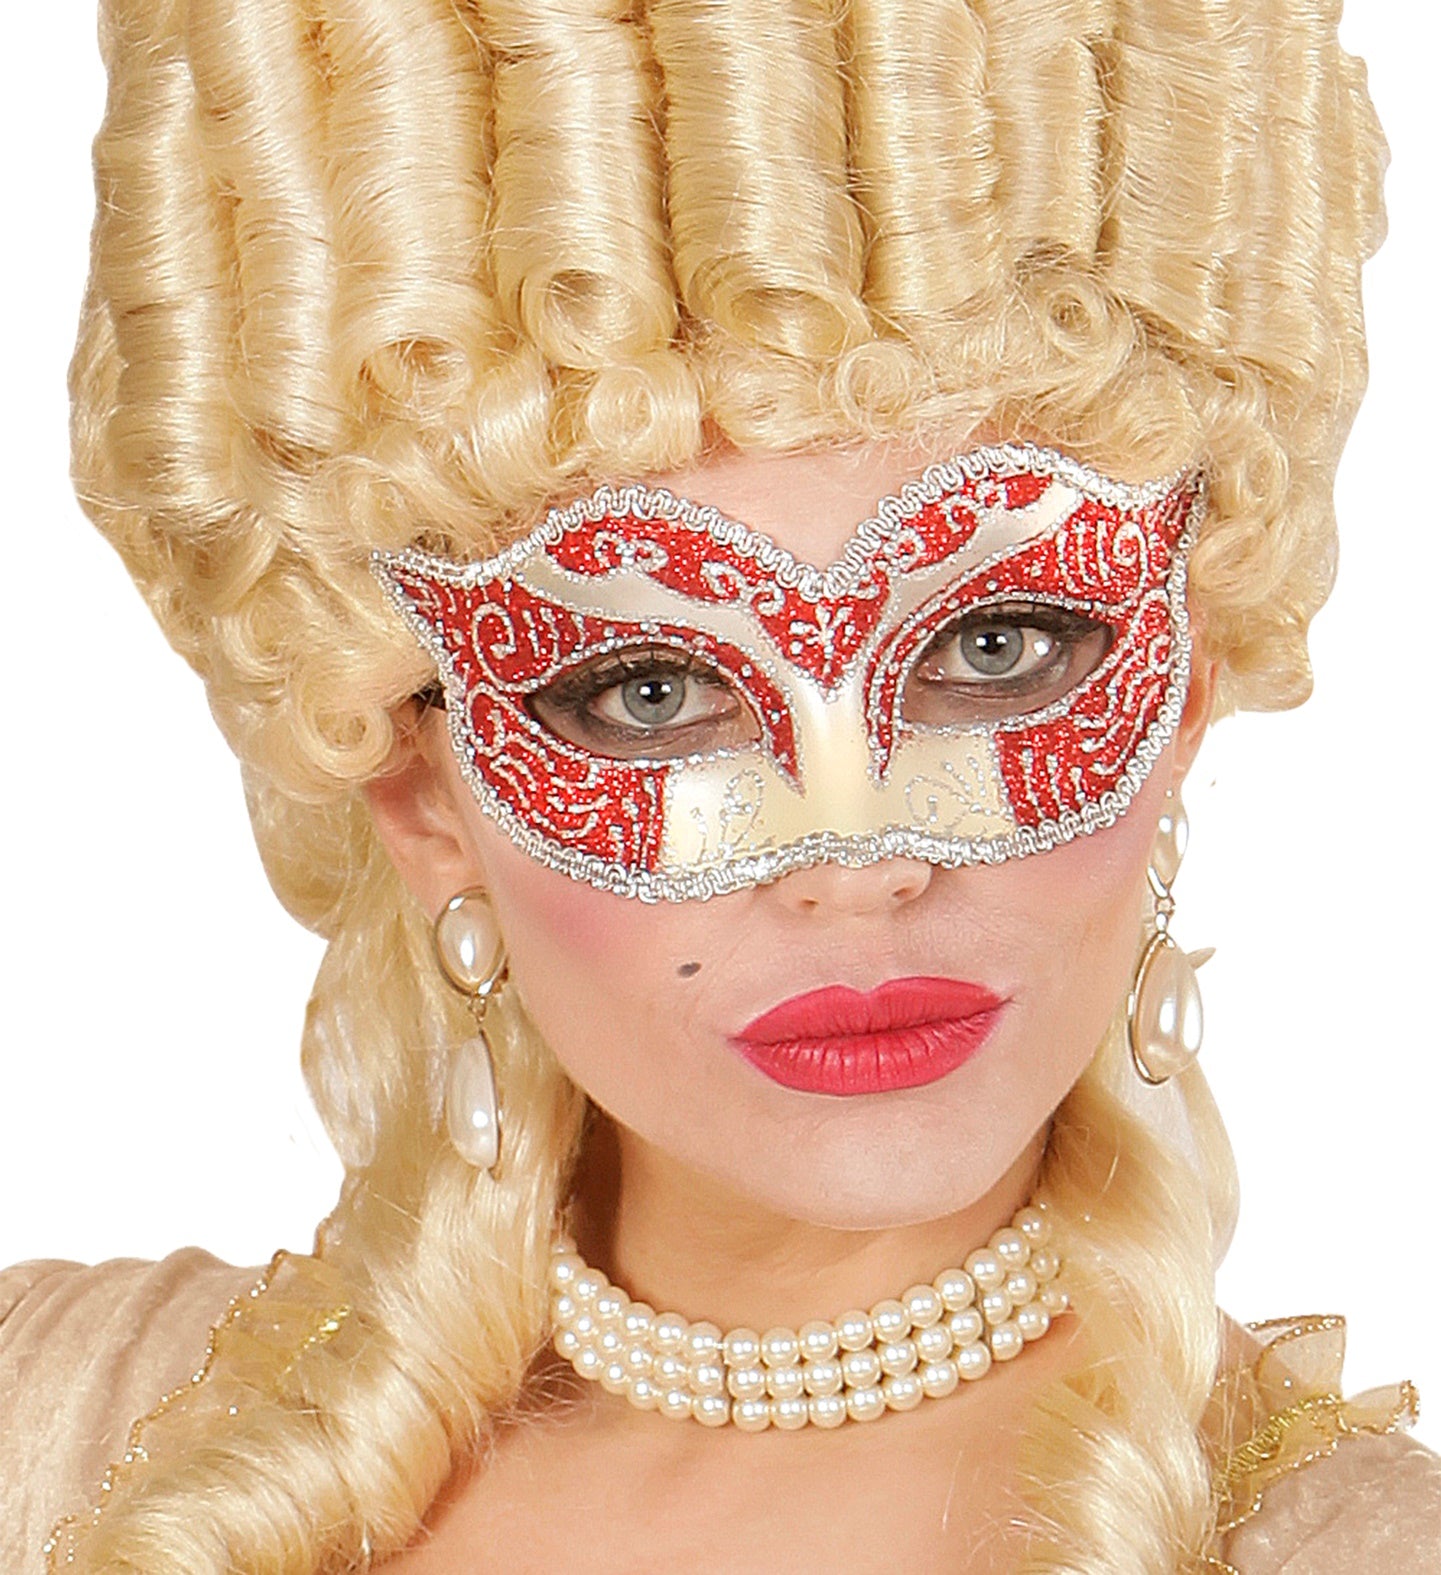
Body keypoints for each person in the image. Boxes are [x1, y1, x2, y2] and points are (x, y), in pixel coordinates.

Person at [2, 1, 1438, 1571]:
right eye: (650, 691)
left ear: (1183, 694)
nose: (857, 859)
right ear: (422, 796)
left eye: (998, 644)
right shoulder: (65, 1422)